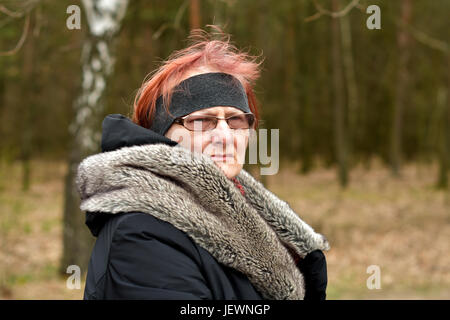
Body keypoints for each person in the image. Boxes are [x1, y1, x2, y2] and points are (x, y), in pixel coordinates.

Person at [76, 28, 329, 300]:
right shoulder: (142, 231)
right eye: (200, 121)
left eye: (235, 120)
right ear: (162, 136)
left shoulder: (255, 217)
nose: (224, 136)